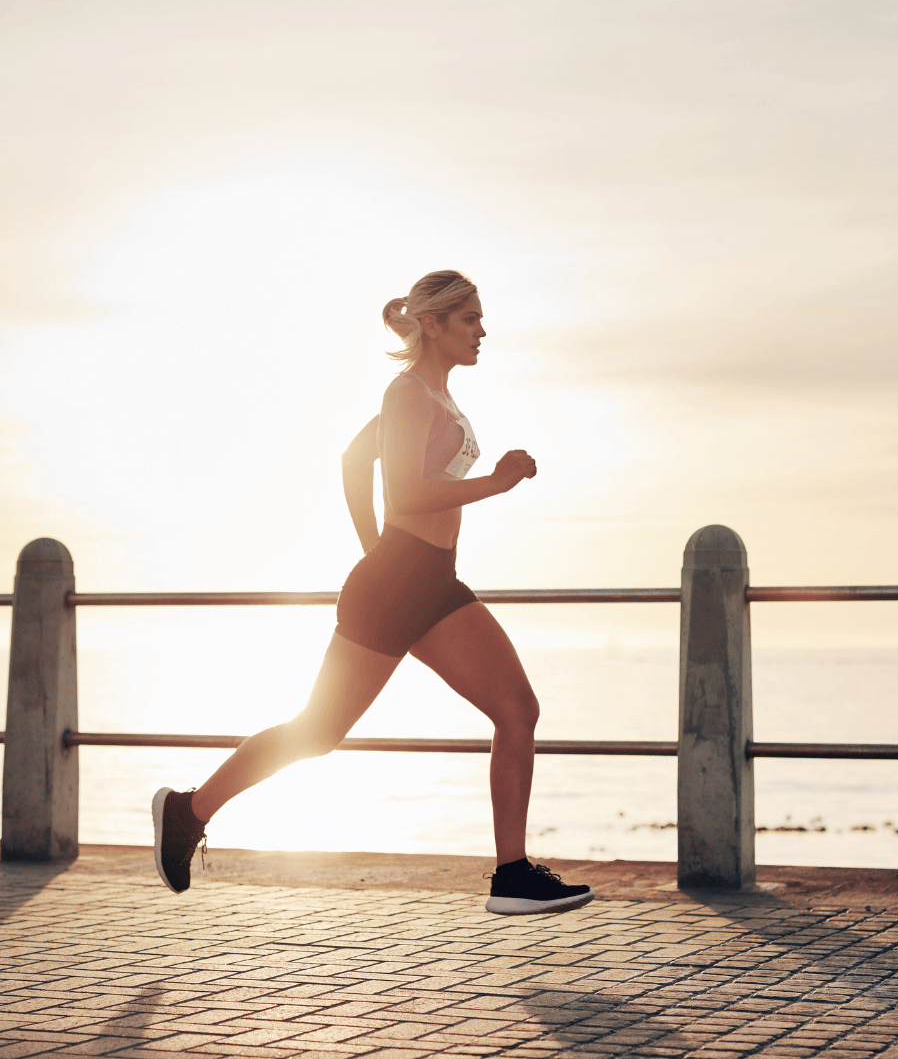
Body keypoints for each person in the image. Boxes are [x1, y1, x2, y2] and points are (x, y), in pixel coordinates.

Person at [152, 269, 593, 915]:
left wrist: (378, 550)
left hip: (432, 582)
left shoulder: (435, 397)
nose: (482, 331)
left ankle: (511, 874)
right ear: (435, 325)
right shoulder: (406, 394)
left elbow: (356, 464)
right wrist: (487, 487)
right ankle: (187, 812)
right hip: (397, 585)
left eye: (480, 318)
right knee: (316, 732)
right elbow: (408, 493)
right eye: (470, 319)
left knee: (516, 709)